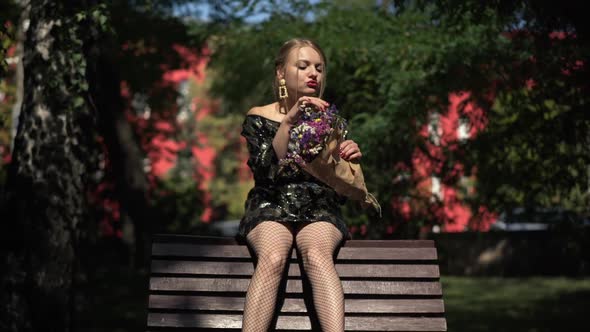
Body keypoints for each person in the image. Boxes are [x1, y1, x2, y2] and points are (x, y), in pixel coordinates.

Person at [235, 38, 363, 332]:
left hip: (319, 205)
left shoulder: (330, 119)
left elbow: (339, 187)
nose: (313, 74)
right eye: (303, 66)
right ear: (281, 72)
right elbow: (266, 170)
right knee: (274, 256)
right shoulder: (258, 116)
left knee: (317, 255)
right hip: (270, 202)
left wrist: (349, 157)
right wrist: (289, 122)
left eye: (318, 68)